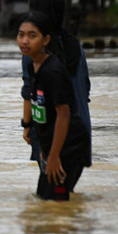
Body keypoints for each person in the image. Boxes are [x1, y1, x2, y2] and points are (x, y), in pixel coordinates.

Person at [17, 10, 87, 201]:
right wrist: (43, 149)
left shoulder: (52, 71)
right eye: (21, 35)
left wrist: (55, 155)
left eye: (32, 36)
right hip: (51, 146)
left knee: (57, 204)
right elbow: (40, 110)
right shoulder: (33, 67)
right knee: (44, 201)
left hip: (67, 146)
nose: (25, 41)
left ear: (46, 40)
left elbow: (63, 114)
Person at [20, 0, 92, 170]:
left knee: (51, 194)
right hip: (81, 132)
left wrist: (27, 125)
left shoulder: (34, 50)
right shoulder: (76, 46)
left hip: (53, 137)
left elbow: (30, 92)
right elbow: (86, 89)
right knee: (64, 195)